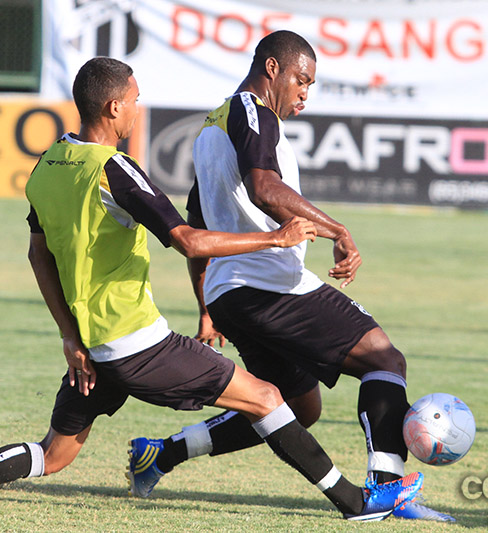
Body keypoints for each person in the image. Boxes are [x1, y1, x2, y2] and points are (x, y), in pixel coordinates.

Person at [0, 57, 422, 521]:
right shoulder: (116, 169)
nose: (137, 109)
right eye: (135, 100)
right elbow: (187, 239)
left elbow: (37, 255)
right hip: (140, 344)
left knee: (54, 455)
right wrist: (274, 237)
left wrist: (71, 337)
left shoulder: (45, 167)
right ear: (114, 109)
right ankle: (355, 502)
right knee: (268, 399)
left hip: (90, 349)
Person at [127, 31, 453, 522]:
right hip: (270, 284)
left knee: (295, 409)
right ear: (273, 68)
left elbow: (198, 230)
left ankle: (161, 454)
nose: (305, 92)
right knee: (383, 358)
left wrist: (206, 308)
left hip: (233, 297)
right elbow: (264, 188)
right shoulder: (253, 111)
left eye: (312, 84)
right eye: (302, 80)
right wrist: (336, 228)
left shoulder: (211, 131)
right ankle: (389, 491)